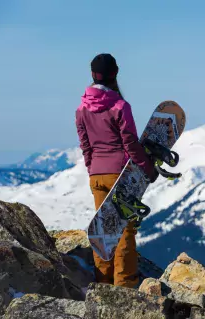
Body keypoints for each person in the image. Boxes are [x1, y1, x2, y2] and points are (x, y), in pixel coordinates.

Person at [75, 53, 157, 288]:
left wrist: (93, 169)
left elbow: (85, 146)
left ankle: (103, 283)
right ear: (115, 74)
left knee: (102, 231)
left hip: (97, 176)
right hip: (120, 175)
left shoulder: (81, 109)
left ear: (92, 74)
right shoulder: (120, 106)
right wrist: (147, 168)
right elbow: (130, 142)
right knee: (124, 231)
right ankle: (124, 287)